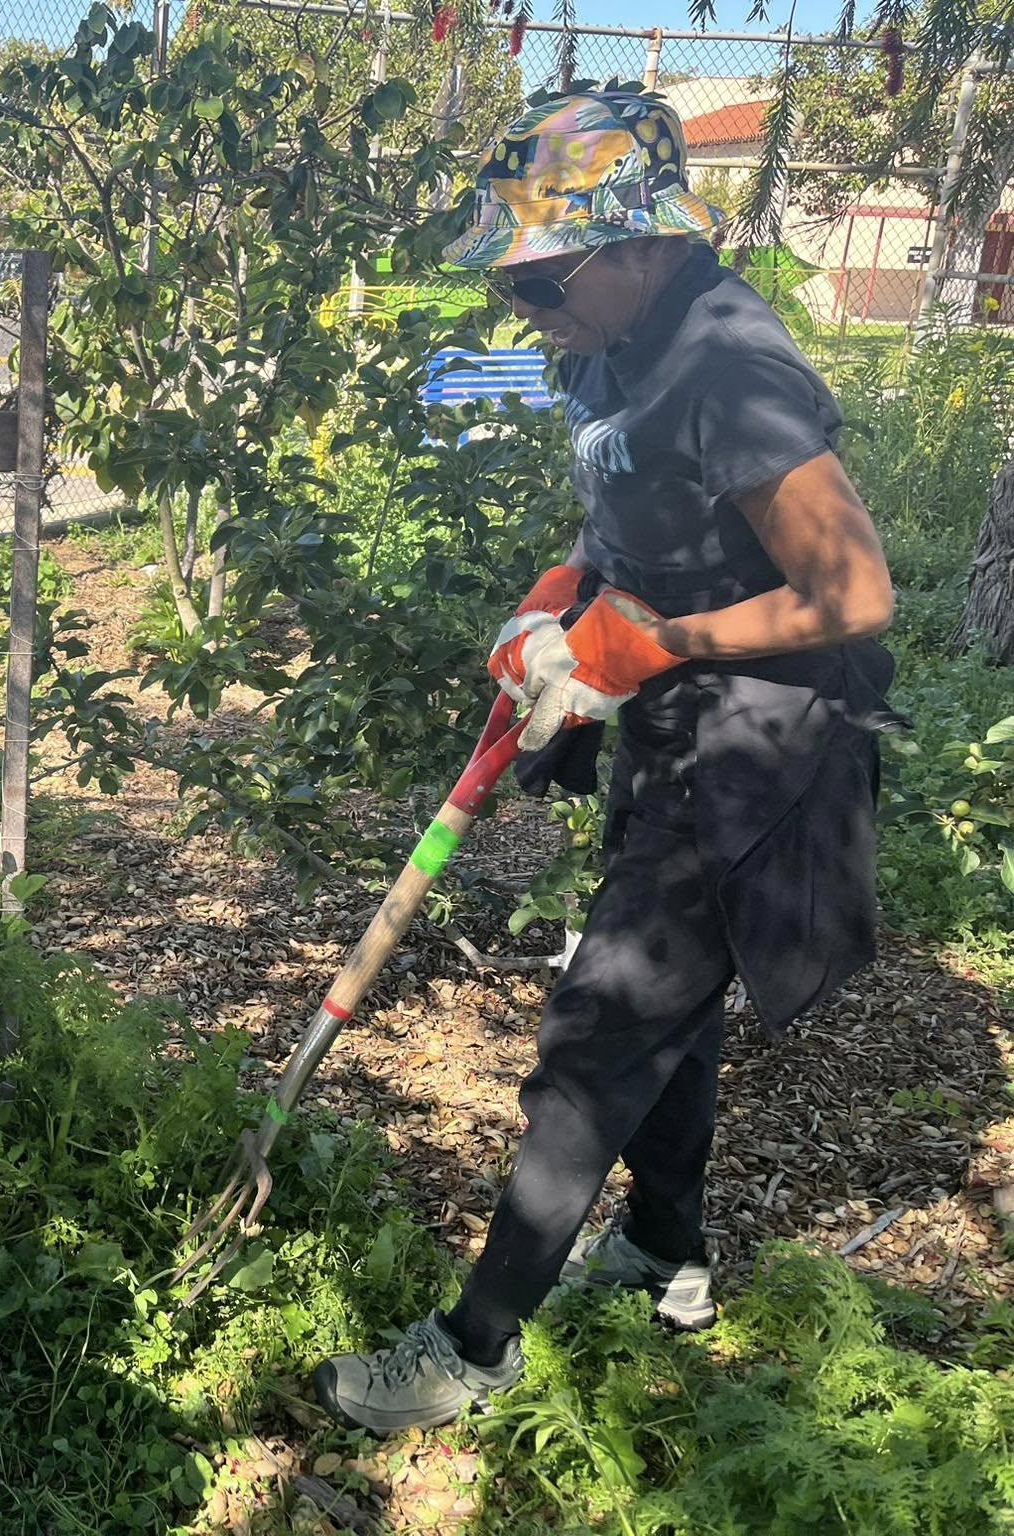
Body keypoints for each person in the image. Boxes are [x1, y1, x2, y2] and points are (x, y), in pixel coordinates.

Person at [314, 90, 898, 1434]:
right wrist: (558, 598)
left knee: (598, 1034)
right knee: (664, 1014)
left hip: (763, 749)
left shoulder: (730, 366)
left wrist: (650, 643)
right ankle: (662, 1250)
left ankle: (473, 1348)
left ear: (640, 242)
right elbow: (621, 510)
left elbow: (856, 592)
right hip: (672, 720)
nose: (522, 304)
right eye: (507, 280)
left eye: (540, 275)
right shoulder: (602, 341)